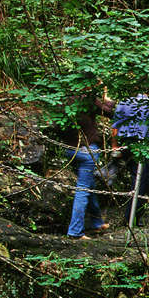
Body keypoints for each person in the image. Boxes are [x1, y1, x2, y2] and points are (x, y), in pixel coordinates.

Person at [62, 85, 115, 239]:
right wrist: (108, 100)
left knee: (88, 182)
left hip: (69, 149)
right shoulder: (87, 99)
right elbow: (109, 113)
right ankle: (75, 231)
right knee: (83, 189)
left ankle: (96, 222)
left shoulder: (62, 98)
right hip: (87, 151)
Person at [111, 93, 149, 226]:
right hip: (142, 146)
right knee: (141, 181)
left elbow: (115, 128)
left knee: (135, 178)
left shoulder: (123, 102)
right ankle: (131, 218)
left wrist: (114, 146)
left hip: (125, 144)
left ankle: (131, 216)